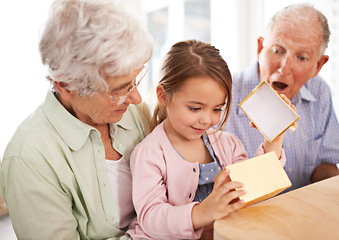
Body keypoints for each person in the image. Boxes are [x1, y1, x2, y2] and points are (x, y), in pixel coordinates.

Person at [0, 0, 153, 239]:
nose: (136, 98)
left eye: (136, 79)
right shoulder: (29, 158)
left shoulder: (135, 113)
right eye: (119, 90)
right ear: (66, 86)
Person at [127, 40, 289, 240]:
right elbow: (150, 218)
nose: (206, 120)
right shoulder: (149, 153)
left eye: (217, 109)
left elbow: (253, 188)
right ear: (163, 96)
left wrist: (275, 133)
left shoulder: (228, 144)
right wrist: (202, 212)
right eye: (195, 108)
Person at [225, 3, 339, 192]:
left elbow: (325, 166)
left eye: (301, 58)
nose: (284, 68)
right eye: (277, 50)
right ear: (261, 47)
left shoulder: (320, 93)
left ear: (318, 66)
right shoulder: (222, 96)